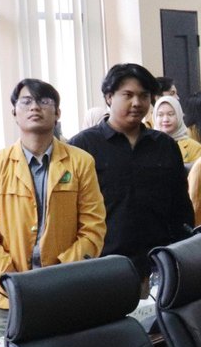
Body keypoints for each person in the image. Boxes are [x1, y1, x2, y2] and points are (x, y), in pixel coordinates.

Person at [0, 79, 106, 333]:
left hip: (67, 293)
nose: (35, 107)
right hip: (9, 298)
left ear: (57, 113)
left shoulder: (81, 162)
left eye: (44, 101)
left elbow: (93, 227)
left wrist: (58, 276)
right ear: (14, 113)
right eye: (26, 101)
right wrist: (12, 280)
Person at [69, 64, 194, 282]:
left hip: (160, 264)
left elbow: (181, 207)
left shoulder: (164, 145)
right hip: (103, 266)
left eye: (144, 96)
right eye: (128, 95)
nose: (137, 103)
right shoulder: (83, 146)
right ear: (109, 97)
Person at [154, 95, 201, 165]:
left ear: (179, 116)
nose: (165, 119)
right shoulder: (148, 145)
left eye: (170, 114)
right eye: (160, 115)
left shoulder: (194, 147)